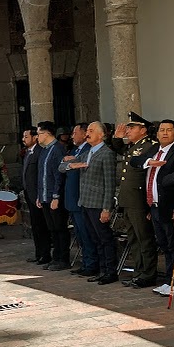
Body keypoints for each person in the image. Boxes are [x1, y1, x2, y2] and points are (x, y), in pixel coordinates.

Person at [109, 112, 159, 288]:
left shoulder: (151, 146)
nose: (128, 131)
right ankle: (138, 272)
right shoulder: (132, 146)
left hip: (139, 199)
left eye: (132, 127)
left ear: (143, 129)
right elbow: (118, 148)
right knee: (134, 238)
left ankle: (148, 274)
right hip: (128, 199)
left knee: (144, 238)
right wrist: (117, 137)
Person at [144, 119, 174, 296]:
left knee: (173, 244)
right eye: (162, 130)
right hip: (155, 205)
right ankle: (168, 280)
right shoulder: (154, 151)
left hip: (170, 207)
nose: (164, 133)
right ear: (156, 134)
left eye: (169, 130)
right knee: (163, 244)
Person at [70, 122, 119, 285]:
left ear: (102, 135)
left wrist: (107, 208)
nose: (87, 133)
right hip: (85, 201)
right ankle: (101, 269)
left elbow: (110, 183)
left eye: (91, 131)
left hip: (98, 203)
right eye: (87, 131)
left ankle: (110, 271)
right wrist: (71, 164)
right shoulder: (87, 152)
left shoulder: (106, 154)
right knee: (95, 238)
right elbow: (63, 167)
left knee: (104, 238)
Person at [34, 121, 69, 271]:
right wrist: (39, 195)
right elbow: (41, 175)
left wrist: (56, 196)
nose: (37, 137)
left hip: (54, 197)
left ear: (47, 133)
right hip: (44, 195)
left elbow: (59, 175)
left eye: (39, 133)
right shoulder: (44, 150)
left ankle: (63, 258)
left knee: (60, 227)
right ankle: (56, 257)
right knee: (52, 228)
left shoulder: (57, 149)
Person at [60, 123, 94, 275]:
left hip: (82, 199)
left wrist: (71, 162)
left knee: (86, 234)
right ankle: (86, 262)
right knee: (80, 234)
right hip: (72, 199)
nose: (72, 136)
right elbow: (61, 166)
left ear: (84, 133)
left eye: (75, 132)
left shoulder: (88, 150)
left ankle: (91, 263)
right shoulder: (75, 150)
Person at [19, 127, 50, 265]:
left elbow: (40, 175)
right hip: (29, 194)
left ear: (34, 137)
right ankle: (39, 254)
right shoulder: (28, 153)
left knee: (41, 226)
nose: (23, 139)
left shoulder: (39, 152)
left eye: (26, 136)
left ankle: (45, 254)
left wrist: (38, 194)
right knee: (35, 226)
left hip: (37, 195)